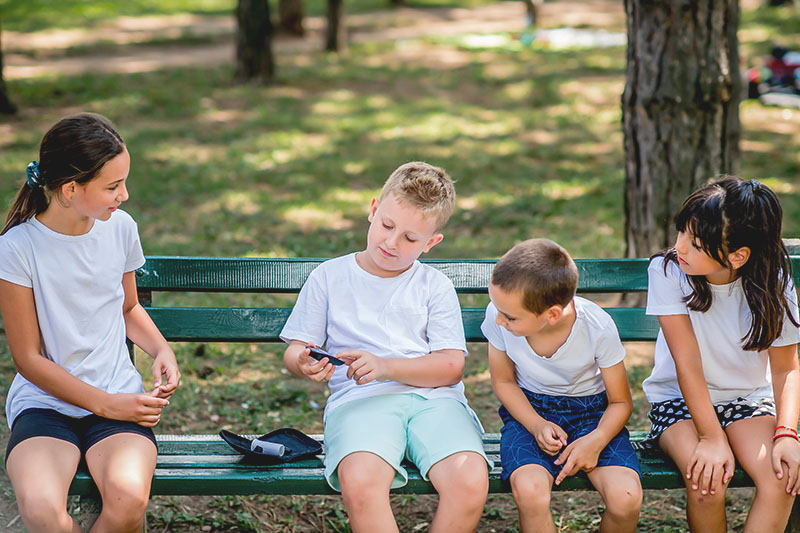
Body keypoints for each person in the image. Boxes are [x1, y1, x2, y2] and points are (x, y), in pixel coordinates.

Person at [281, 162, 491, 533]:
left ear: (430, 243)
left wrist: (386, 366)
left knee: (470, 479)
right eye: (387, 226)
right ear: (373, 210)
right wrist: (303, 361)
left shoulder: (434, 286)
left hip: (436, 403)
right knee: (361, 482)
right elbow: (296, 350)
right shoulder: (329, 277)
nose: (391, 243)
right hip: (360, 402)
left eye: (410, 239)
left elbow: (450, 368)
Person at [0, 113, 181, 533]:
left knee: (128, 499)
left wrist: (162, 350)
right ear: (70, 189)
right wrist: (104, 402)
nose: (125, 195)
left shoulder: (120, 229)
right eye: (113, 186)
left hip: (117, 402)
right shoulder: (17, 248)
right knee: (44, 510)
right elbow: (27, 359)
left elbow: (128, 308)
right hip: (46, 405)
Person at [642, 176, 800, 532]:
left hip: (747, 401)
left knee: (780, 479)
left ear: (737, 256)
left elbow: (786, 370)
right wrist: (711, 437)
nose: (680, 246)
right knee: (706, 483)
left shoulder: (775, 285)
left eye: (695, 243)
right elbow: (688, 364)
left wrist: (787, 435)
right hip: (680, 401)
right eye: (681, 231)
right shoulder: (669, 272)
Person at [482, 238, 642, 533]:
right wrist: (535, 424)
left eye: (511, 317)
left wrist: (596, 440)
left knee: (626, 498)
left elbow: (621, 402)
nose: (499, 320)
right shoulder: (499, 316)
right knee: (529, 492)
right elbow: (504, 381)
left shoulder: (597, 327)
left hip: (592, 416)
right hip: (529, 412)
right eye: (497, 309)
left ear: (552, 314)